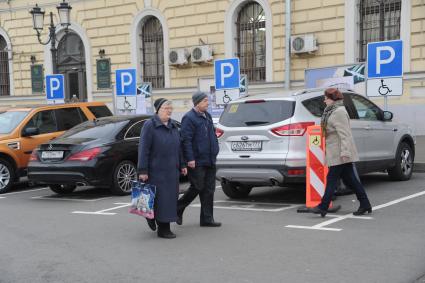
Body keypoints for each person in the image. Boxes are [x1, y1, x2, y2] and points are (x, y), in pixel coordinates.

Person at [309, 88, 372, 217]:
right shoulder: (331, 111)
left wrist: (345, 152)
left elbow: (345, 135)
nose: (324, 100)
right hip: (335, 150)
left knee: (331, 179)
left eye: (326, 98)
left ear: (333, 99)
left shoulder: (339, 112)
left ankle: (323, 206)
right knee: (351, 181)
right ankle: (365, 204)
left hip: (340, 152)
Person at [138, 98, 187, 238]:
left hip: (172, 170)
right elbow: (143, 149)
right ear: (158, 110)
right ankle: (163, 229)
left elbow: (178, 147)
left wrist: (182, 164)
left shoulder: (173, 127)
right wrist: (142, 170)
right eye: (166, 108)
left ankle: (152, 217)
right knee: (161, 199)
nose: (169, 110)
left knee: (170, 199)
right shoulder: (150, 125)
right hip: (156, 171)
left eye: (170, 108)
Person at [176, 91, 221, 227]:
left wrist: (215, 148)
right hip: (197, 160)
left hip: (210, 159)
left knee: (209, 189)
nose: (208, 103)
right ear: (197, 103)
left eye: (208, 100)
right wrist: (190, 158)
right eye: (205, 101)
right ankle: (179, 206)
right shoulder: (189, 118)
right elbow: (186, 140)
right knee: (197, 186)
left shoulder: (207, 115)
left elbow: (212, 134)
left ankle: (207, 219)